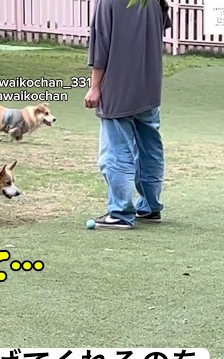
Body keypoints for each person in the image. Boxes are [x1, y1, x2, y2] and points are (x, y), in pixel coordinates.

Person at [84, 0, 169, 229]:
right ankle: (150, 206)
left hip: (118, 87)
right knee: (149, 148)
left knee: (115, 151)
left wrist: (95, 86)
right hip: (149, 84)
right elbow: (162, 24)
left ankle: (120, 212)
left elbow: (100, 44)